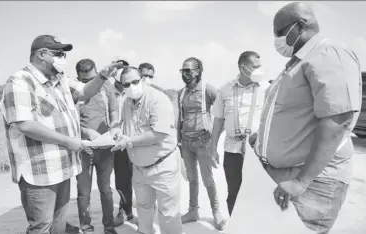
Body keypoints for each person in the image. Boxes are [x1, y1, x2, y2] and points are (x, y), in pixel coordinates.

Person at [254, 2, 362, 233]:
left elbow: (337, 120)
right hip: (290, 177)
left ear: (300, 26)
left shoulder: (328, 54)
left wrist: (301, 181)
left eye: (280, 33)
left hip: (313, 183)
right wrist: (263, 140)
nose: (276, 39)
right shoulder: (299, 62)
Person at [0, 35, 122, 234]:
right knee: (41, 226)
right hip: (39, 171)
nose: (62, 57)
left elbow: (84, 93)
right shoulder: (20, 81)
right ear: (42, 54)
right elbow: (25, 125)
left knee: (59, 224)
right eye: (58, 53)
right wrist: (68, 141)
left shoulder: (60, 79)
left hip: (63, 166)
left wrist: (102, 76)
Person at [111, 66, 182, 234]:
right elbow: (124, 125)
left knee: (168, 214)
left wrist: (129, 141)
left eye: (135, 82)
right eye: (126, 84)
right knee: (143, 208)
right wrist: (117, 132)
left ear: (142, 80)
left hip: (162, 167)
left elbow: (158, 134)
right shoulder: (126, 102)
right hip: (138, 168)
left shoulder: (158, 99)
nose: (131, 86)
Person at [210, 51, 269, 216]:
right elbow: (218, 120)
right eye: (255, 66)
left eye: (260, 66)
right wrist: (213, 147)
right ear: (243, 68)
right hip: (232, 150)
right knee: (234, 193)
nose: (260, 70)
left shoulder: (267, 89)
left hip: (258, 151)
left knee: (259, 195)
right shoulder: (225, 90)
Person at [176, 57, 225, 230]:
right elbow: (179, 119)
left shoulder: (208, 90)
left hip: (203, 142)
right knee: (192, 179)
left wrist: (213, 138)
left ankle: (216, 212)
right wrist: (178, 143)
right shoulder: (181, 93)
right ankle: (193, 211)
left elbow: (223, 113)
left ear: (198, 71)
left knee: (208, 179)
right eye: (183, 70)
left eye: (189, 70)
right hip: (186, 142)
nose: (185, 74)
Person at [74, 59, 119, 234]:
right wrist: (85, 131)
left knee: (106, 190)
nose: (89, 83)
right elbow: (68, 122)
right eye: (85, 80)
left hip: (106, 147)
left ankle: (108, 227)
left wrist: (114, 124)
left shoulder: (107, 85)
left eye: (93, 78)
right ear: (78, 77)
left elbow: (114, 110)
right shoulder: (73, 90)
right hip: (84, 148)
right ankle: (86, 228)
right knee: (83, 193)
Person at [108, 58, 138, 227]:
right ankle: (125, 211)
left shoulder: (133, 90)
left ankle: (144, 211)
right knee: (122, 179)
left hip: (134, 140)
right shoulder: (106, 90)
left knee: (140, 178)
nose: (120, 72)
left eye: (123, 69)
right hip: (114, 142)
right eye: (117, 69)